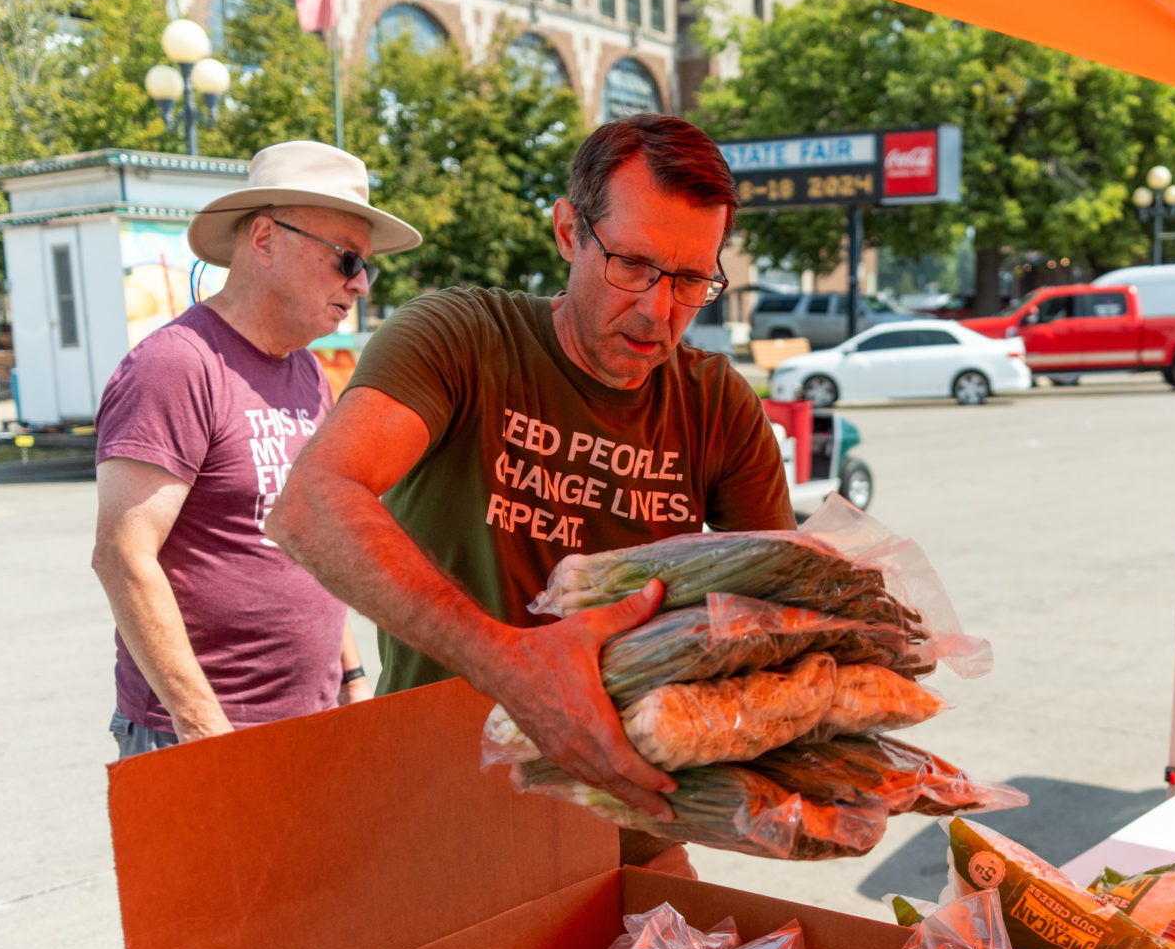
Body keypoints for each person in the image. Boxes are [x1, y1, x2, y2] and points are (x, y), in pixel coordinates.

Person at [268, 114, 791, 872]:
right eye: (634, 265)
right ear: (569, 231)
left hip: (631, 833)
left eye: (688, 281)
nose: (658, 310)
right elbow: (312, 503)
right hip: (440, 820)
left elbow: (775, 620)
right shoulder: (461, 339)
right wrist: (512, 666)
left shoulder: (718, 405)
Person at [92, 141, 421, 756]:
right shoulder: (177, 365)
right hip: (199, 734)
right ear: (265, 239)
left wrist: (351, 676)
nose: (360, 284)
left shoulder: (307, 372)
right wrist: (202, 728)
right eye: (347, 259)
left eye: (366, 267)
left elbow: (313, 537)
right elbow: (122, 557)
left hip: (311, 719)